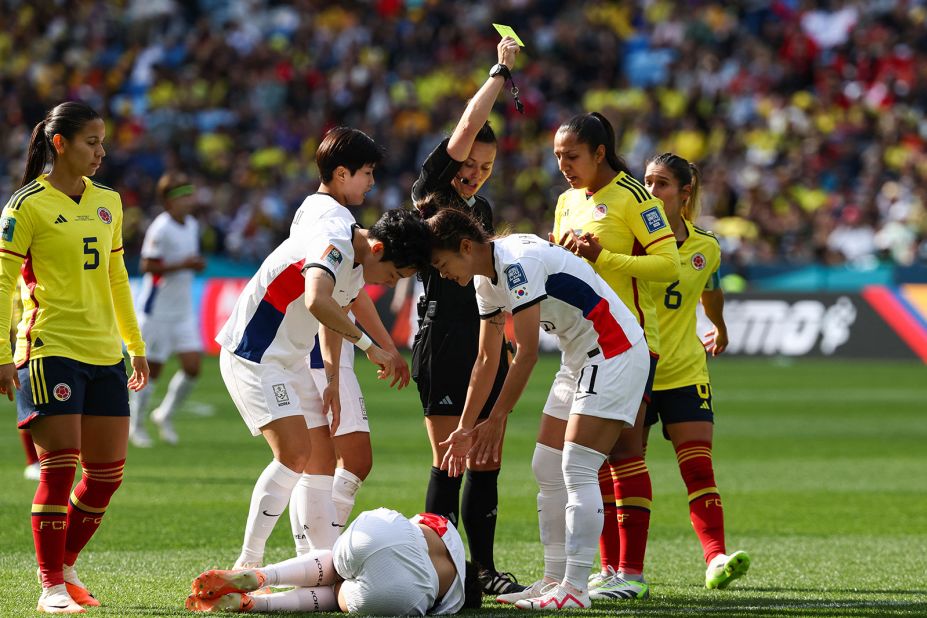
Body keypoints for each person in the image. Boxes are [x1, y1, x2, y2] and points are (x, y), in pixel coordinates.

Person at [432, 208, 651, 611]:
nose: (442, 274)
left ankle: (576, 588)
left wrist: (498, 417)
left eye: (442, 264)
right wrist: (467, 426)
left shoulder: (518, 263)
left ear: (466, 247)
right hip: (579, 357)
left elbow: (528, 353)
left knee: (577, 467)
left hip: (613, 350)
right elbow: (485, 357)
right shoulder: (484, 279)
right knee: (546, 466)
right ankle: (554, 579)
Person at [215, 205, 430, 573]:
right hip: (255, 354)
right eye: (394, 275)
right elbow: (317, 300)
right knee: (294, 453)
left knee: (322, 460)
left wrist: (331, 379)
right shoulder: (335, 244)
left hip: (291, 360)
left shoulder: (358, 260)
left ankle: (317, 562)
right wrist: (370, 347)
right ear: (378, 250)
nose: (390, 283)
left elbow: (335, 312)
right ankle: (247, 563)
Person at [0, 101, 149, 613]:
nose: (100, 152)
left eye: (102, 142)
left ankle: (64, 566)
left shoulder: (108, 201)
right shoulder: (25, 206)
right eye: (91, 142)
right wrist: (2, 352)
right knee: (60, 469)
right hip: (48, 348)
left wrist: (135, 346)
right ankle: (50, 587)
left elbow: (116, 278)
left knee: (107, 475)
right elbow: (2, 283)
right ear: (58, 143)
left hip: (104, 353)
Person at [409, 35, 524, 597]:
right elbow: (466, 125)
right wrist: (499, 74)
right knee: (449, 458)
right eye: (471, 161)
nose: (475, 172)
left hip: (482, 340)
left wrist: (502, 345)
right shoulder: (431, 190)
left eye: (486, 166)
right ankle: (437, 573)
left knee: (486, 455)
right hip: (439, 340)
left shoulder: (482, 210)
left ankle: (482, 570)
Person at [550, 112, 680, 601]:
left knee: (624, 453)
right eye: (558, 156)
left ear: (600, 152)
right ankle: (608, 570)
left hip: (632, 345)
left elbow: (668, 265)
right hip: (585, 345)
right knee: (592, 460)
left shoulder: (635, 197)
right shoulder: (566, 202)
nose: (563, 165)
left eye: (572, 155)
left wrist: (603, 257)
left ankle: (632, 572)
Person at [286, 127, 409, 553]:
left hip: (314, 348)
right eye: (367, 173)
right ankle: (318, 557)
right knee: (346, 464)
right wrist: (343, 366)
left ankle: (313, 556)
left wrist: (388, 346)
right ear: (342, 173)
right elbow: (328, 299)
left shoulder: (314, 210)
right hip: (320, 350)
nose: (371, 182)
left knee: (320, 467)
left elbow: (352, 293)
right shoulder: (334, 223)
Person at [642, 152, 751, 589]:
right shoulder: (632, 238)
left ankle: (715, 559)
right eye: (647, 181)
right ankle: (620, 569)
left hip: (686, 369)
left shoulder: (706, 245)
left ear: (685, 193)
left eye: (662, 184)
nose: (651, 192)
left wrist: (719, 327)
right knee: (622, 469)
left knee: (699, 469)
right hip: (635, 370)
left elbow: (712, 289)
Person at [185, 508, 481, 615]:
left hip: (396, 533)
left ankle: (263, 575)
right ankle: (258, 605)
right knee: (338, 591)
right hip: (413, 589)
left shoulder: (451, 537)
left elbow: (423, 519)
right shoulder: (454, 601)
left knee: (336, 565)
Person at [129, 171, 205, 447]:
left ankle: (165, 414)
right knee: (153, 371)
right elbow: (147, 265)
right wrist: (184, 265)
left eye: (189, 193)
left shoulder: (192, 225)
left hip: (182, 310)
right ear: (169, 201)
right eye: (182, 195)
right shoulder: (160, 228)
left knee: (193, 367)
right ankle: (136, 425)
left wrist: (192, 264)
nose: (188, 199)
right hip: (157, 311)